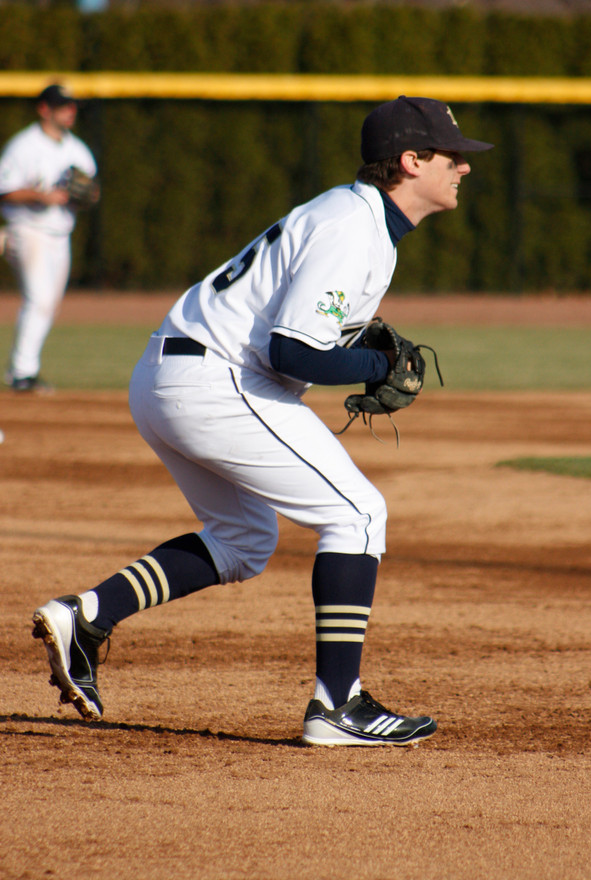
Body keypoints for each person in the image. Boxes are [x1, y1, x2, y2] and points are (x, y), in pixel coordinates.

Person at [32, 96, 492, 746]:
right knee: (357, 515)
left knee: (244, 540)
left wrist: (364, 356)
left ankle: (89, 615)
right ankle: (337, 706)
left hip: (169, 373)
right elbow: (291, 351)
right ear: (411, 162)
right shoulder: (352, 227)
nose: (463, 168)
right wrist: (371, 365)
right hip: (215, 380)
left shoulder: (353, 217)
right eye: (452, 156)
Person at [0, 83, 98, 392]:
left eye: (72, 106)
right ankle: (21, 372)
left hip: (60, 234)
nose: (70, 111)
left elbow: (91, 191)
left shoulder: (77, 149)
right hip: (27, 229)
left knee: (49, 303)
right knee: (39, 298)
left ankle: (23, 370)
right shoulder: (23, 146)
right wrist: (42, 196)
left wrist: (88, 195)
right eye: (63, 105)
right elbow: (5, 189)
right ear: (44, 109)